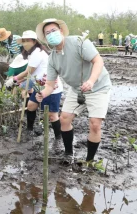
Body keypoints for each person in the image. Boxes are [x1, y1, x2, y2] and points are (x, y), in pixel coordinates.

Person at [35, 18, 111, 164]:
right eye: (47, 33)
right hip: (77, 89)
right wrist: (42, 94)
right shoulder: (52, 58)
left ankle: (89, 161)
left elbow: (98, 61)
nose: (51, 34)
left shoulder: (78, 42)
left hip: (98, 86)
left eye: (53, 31)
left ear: (61, 31)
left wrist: (91, 81)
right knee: (64, 119)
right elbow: (50, 85)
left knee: (95, 123)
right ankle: (69, 153)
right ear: (45, 38)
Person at [12, 30, 63, 139]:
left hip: (50, 87)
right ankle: (29, 129)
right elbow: (30, 73)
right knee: (31, 105)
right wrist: (19, 82)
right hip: (39, 85)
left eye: (27, 40)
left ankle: (58, 137)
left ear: (34, 41)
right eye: (23, 41)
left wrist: (15, 79)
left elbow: (28, 72)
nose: (25, 43)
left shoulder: (37, 53)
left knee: (52, 116)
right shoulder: (32, 53)